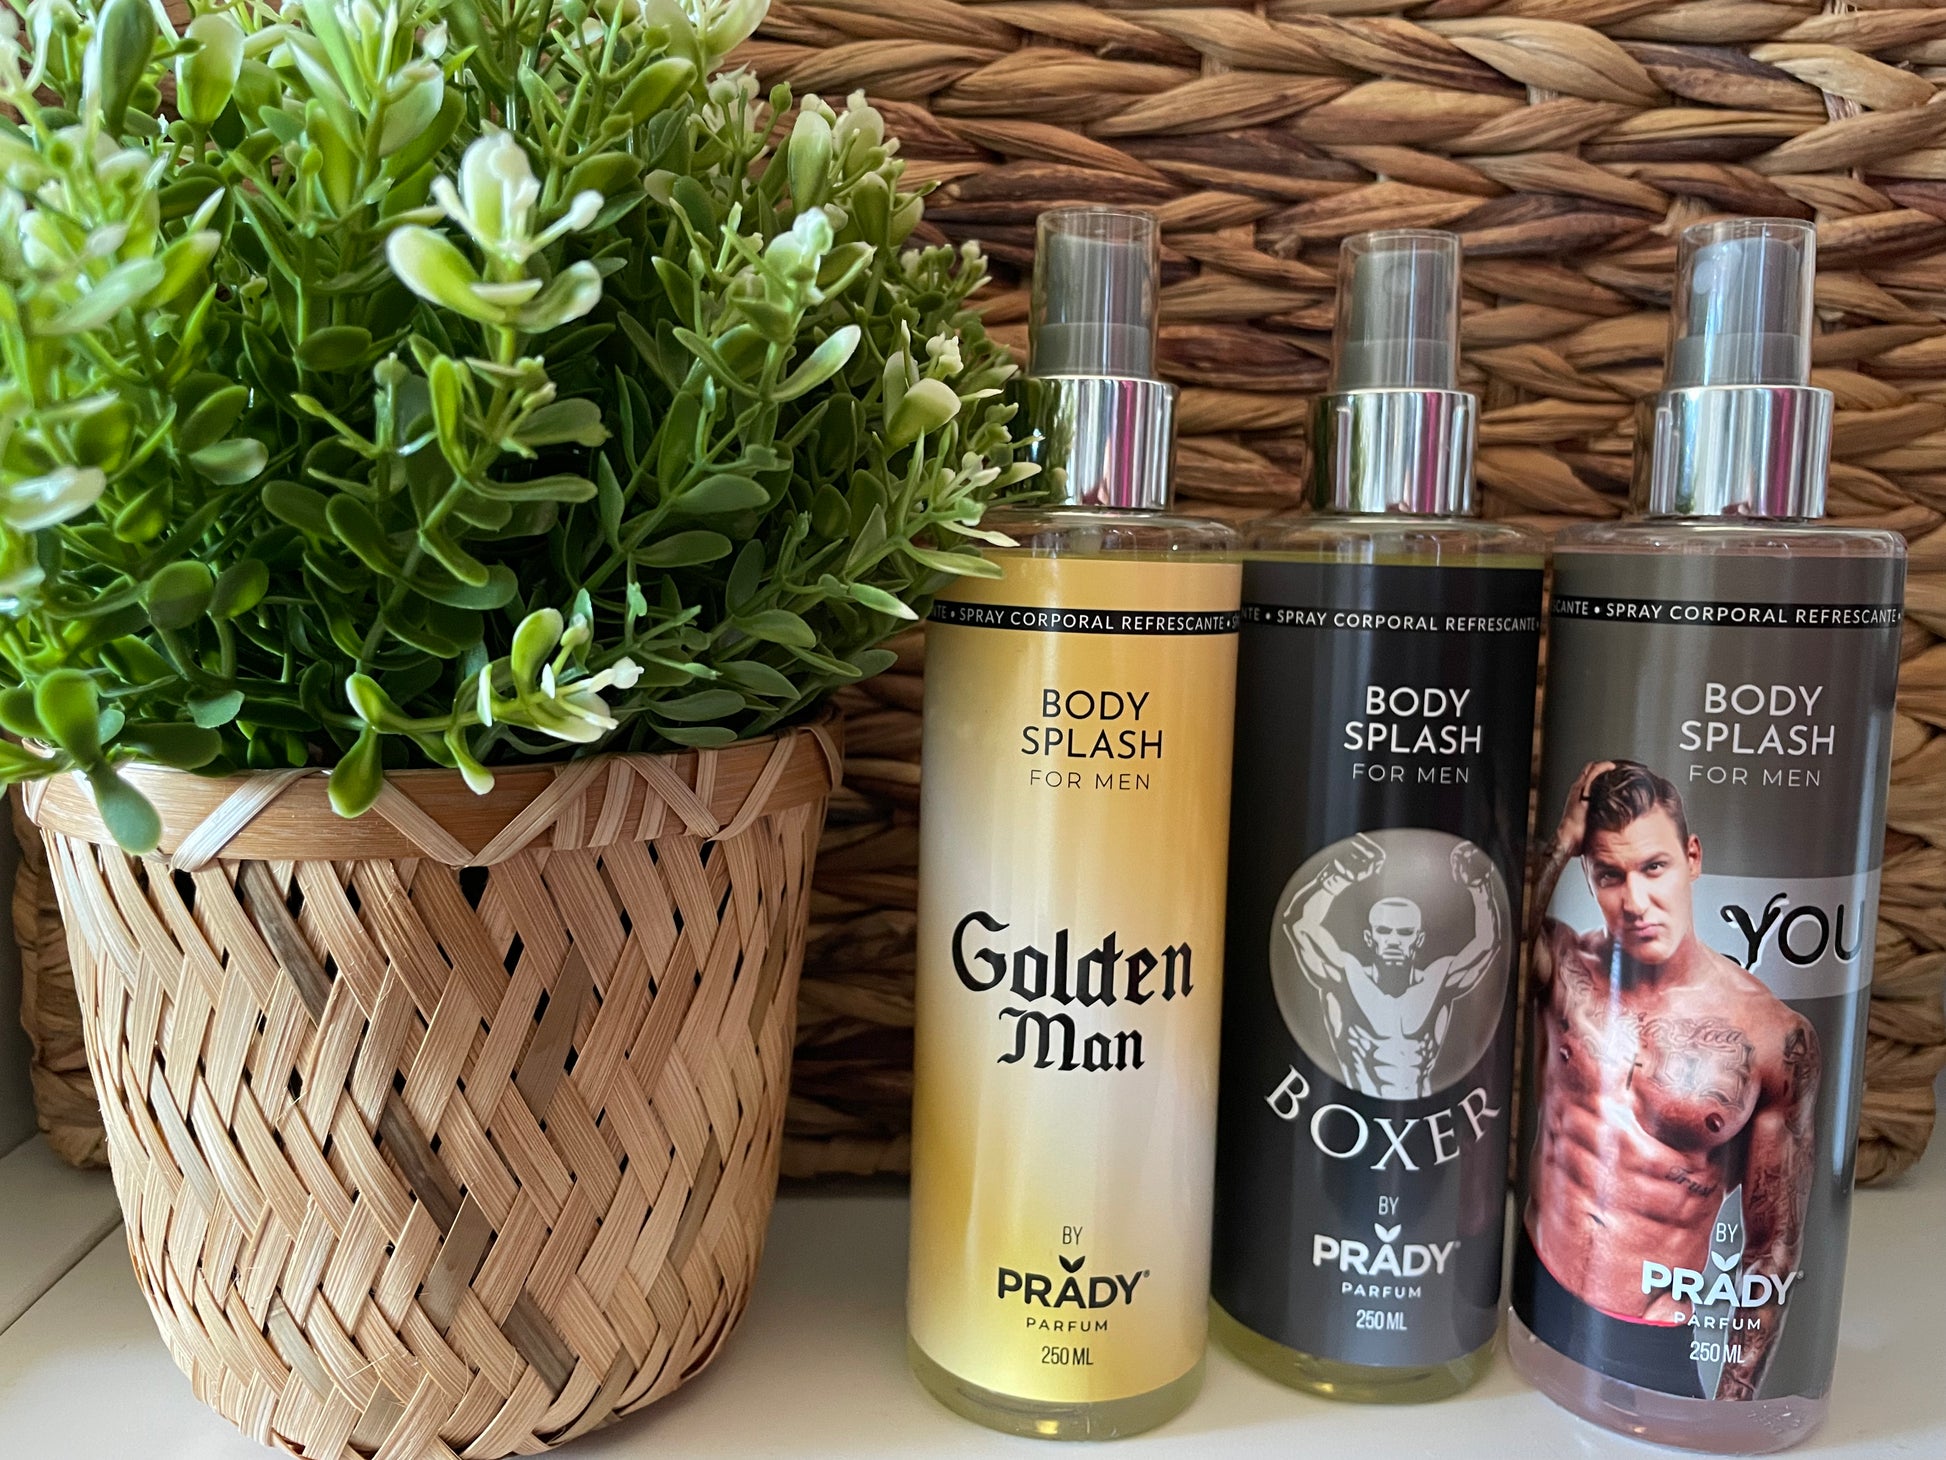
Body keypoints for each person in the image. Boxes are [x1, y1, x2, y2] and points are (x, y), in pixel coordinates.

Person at [1524, 760, 1819, 1401]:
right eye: (1610, 874)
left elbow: (1773, 1246)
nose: (1635, 902)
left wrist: (1733, 1401)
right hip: (1538, 1285)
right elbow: (1488, 944)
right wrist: (1562, 840)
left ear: (1692, 859)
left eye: (1654, 867)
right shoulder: (1565, 965)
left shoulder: (1770, 1035)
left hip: (1651, 1334)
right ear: (1588, 874)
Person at [1280, 833, 1505, 1099]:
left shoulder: (1437, 980)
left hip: (1421, 1105)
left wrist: (1479, 889)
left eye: (1405, 932)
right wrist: (1338, 876)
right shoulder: (1346, 975)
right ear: (1370, 938)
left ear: (1418, 939)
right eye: (1384, 931)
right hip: (1351, 1106)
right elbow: (1299, 925)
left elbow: (1487, 944)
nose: (1394, 941)